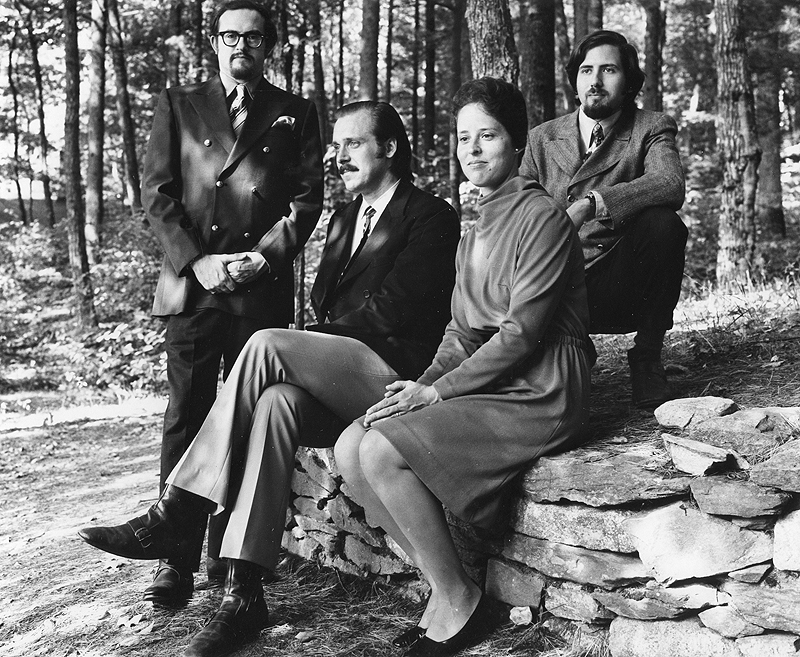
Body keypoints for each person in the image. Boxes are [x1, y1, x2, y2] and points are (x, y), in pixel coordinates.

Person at [79, 100, 461, 657]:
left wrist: (309, 344)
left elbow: (392, 313)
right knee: (277, 402)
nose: (338, 156)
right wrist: (313, 348)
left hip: (395, 379)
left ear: (390, 149)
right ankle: (242, 590)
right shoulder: (345, 219)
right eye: (336, 145)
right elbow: (323, 298)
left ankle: (177, 511)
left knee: (265, 343)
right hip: (343, 375)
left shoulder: (431, 215)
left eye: (352, 144)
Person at [334, 78, 594, 656]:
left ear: (518, 143)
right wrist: (424, 385)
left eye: (488, 136)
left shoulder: (542, 218)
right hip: (494, 373)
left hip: (544, 383)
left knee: (382, 449)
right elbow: (461, 331)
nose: (473, 150)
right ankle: (444, 586)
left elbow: (522, 334)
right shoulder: (474, 226)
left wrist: (440, 394)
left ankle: (459, 601)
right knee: (353, 446)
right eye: (463, 138)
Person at [142, 0, 323, 603]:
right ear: (213, 41)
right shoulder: (179, 104)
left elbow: (306, 201)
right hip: (193, 288)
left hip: (258, 290)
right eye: (229, 36)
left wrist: (261, 258)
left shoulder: (295, 112)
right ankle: (175, 558)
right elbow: (159, 194)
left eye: (253, 37)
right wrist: (199, 261)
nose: (240, 46)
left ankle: (230, 556)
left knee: (246, 423)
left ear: (269, 46)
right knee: (186, 416)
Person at [520, 29, 687, 409]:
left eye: (608, 70)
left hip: (616, 281)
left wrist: (593, 203)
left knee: (664, 225)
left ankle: (647, 358)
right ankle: (573, 349)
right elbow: (520, 206)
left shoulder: (651, 127)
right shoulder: (542, 137)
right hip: (553, 281)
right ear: (575, 81)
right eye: (585, 70)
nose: (595, 81)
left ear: (628, 81)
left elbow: (670, 183)